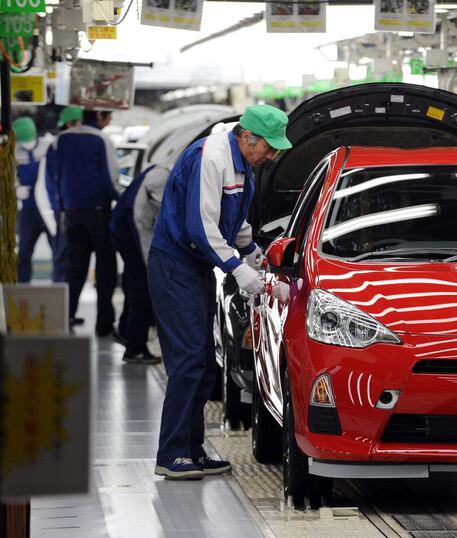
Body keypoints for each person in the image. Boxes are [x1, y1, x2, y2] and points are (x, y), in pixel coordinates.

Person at [149, 105, 291, 480]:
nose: (272, 156)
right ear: (248, 137)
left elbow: (235, 220)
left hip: (195, 267)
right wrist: (240, 271)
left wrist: (254, 254)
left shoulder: (243, 163)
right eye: (269, 148)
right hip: (174, 264)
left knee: (202, 359)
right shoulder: (209, 157)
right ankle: (172, 452)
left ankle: (192, 450)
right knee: (188, 360)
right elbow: (201, 227)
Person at [56, 109, 121, 335]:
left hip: (71, 213)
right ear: (101, 117)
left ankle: (67, 316)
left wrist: (63, 205)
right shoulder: (102, 139)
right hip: (97, 213)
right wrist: (122, 200)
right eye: (109, 117)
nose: (110, 121)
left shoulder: (62, 139)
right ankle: (103, 324)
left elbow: (55, 175)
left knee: (75, 267)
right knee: (105, 269)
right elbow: (110, 179)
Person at [110, 164, 164, 364]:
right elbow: (160, 215)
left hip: (123, 232)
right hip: (132, 236)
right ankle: (136, 348)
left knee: (133, 286)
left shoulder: (154, 171)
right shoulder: (160, 179)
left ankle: (125, 330)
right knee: (142, 289)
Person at [35, 106, 85, 285]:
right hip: (62, 213)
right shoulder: (57, 147)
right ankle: (61, 305)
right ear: (72, 124)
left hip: (71, 211)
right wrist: (53, 217)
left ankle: (68, 308)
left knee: (74, 261)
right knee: (63, 259)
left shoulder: (69, 146)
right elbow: (46, 186)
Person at [13, 117, 53, 283]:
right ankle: (22, 288)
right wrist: (16, 188)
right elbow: (8, 176)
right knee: (24, 252)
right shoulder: (14, 152)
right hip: (28, 211)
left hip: (50, 210)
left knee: (60, 251)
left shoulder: (49, 147)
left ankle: (61, 286)